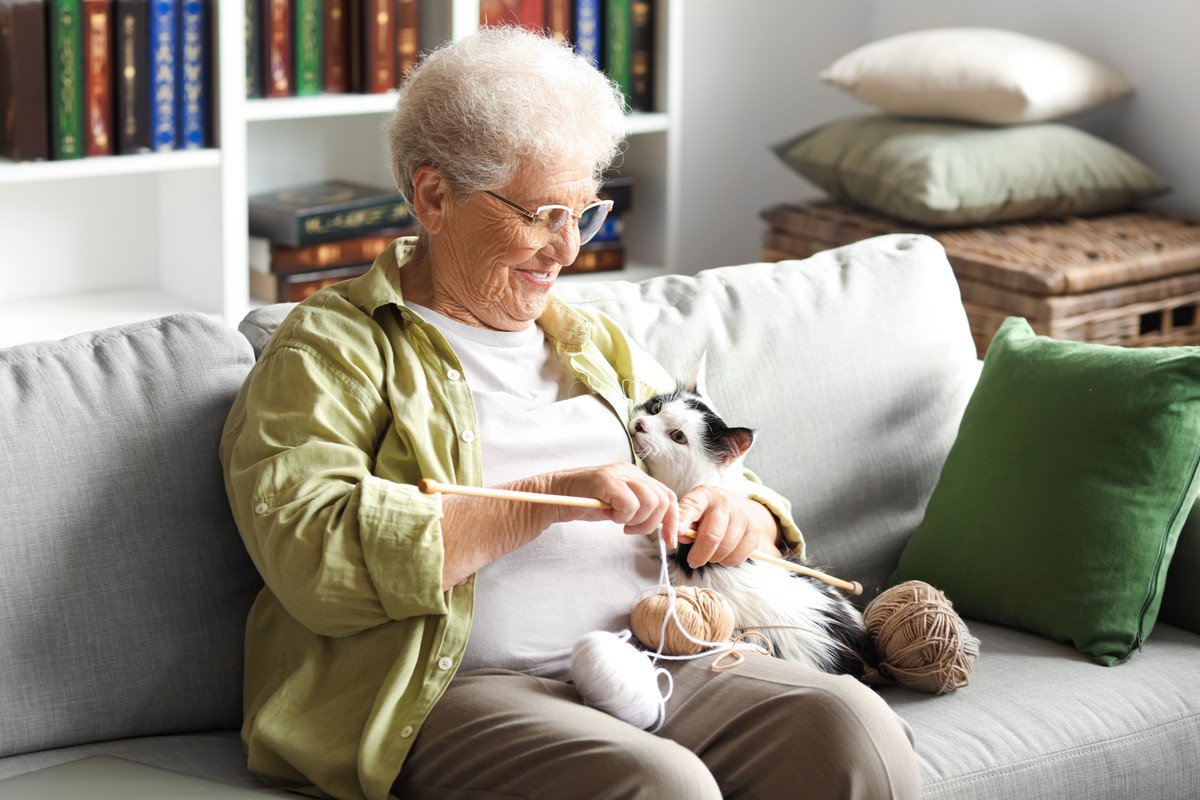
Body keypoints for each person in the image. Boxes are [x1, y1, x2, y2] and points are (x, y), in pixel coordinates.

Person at [219, 25, 919, 800]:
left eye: (585, 213)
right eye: (543, 213)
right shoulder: (329, 349)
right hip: (461, 689)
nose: (566, 250)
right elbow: (310, 555)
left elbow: (726, 472)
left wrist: (738, 514)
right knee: (662, 786)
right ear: (433, 195)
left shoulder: (590, 338)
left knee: (853, 729)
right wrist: (545, 502)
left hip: (661, 649)